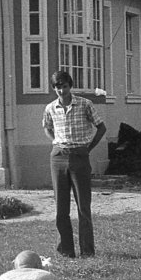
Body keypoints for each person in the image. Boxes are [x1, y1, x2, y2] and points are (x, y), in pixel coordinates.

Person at [42, 71, 107, 258]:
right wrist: (56, 141)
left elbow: (101, 127)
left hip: (79, 156)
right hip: (58, 157)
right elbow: (47, 127)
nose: (61, 90)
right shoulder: (51, 108)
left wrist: (89, 148)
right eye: (57, 87)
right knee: (61, 207)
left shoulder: (85, 104)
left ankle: (87, 250)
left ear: (70, 86)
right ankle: (66, 250)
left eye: (64, 86)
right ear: (54, 89)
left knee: (83, 206)